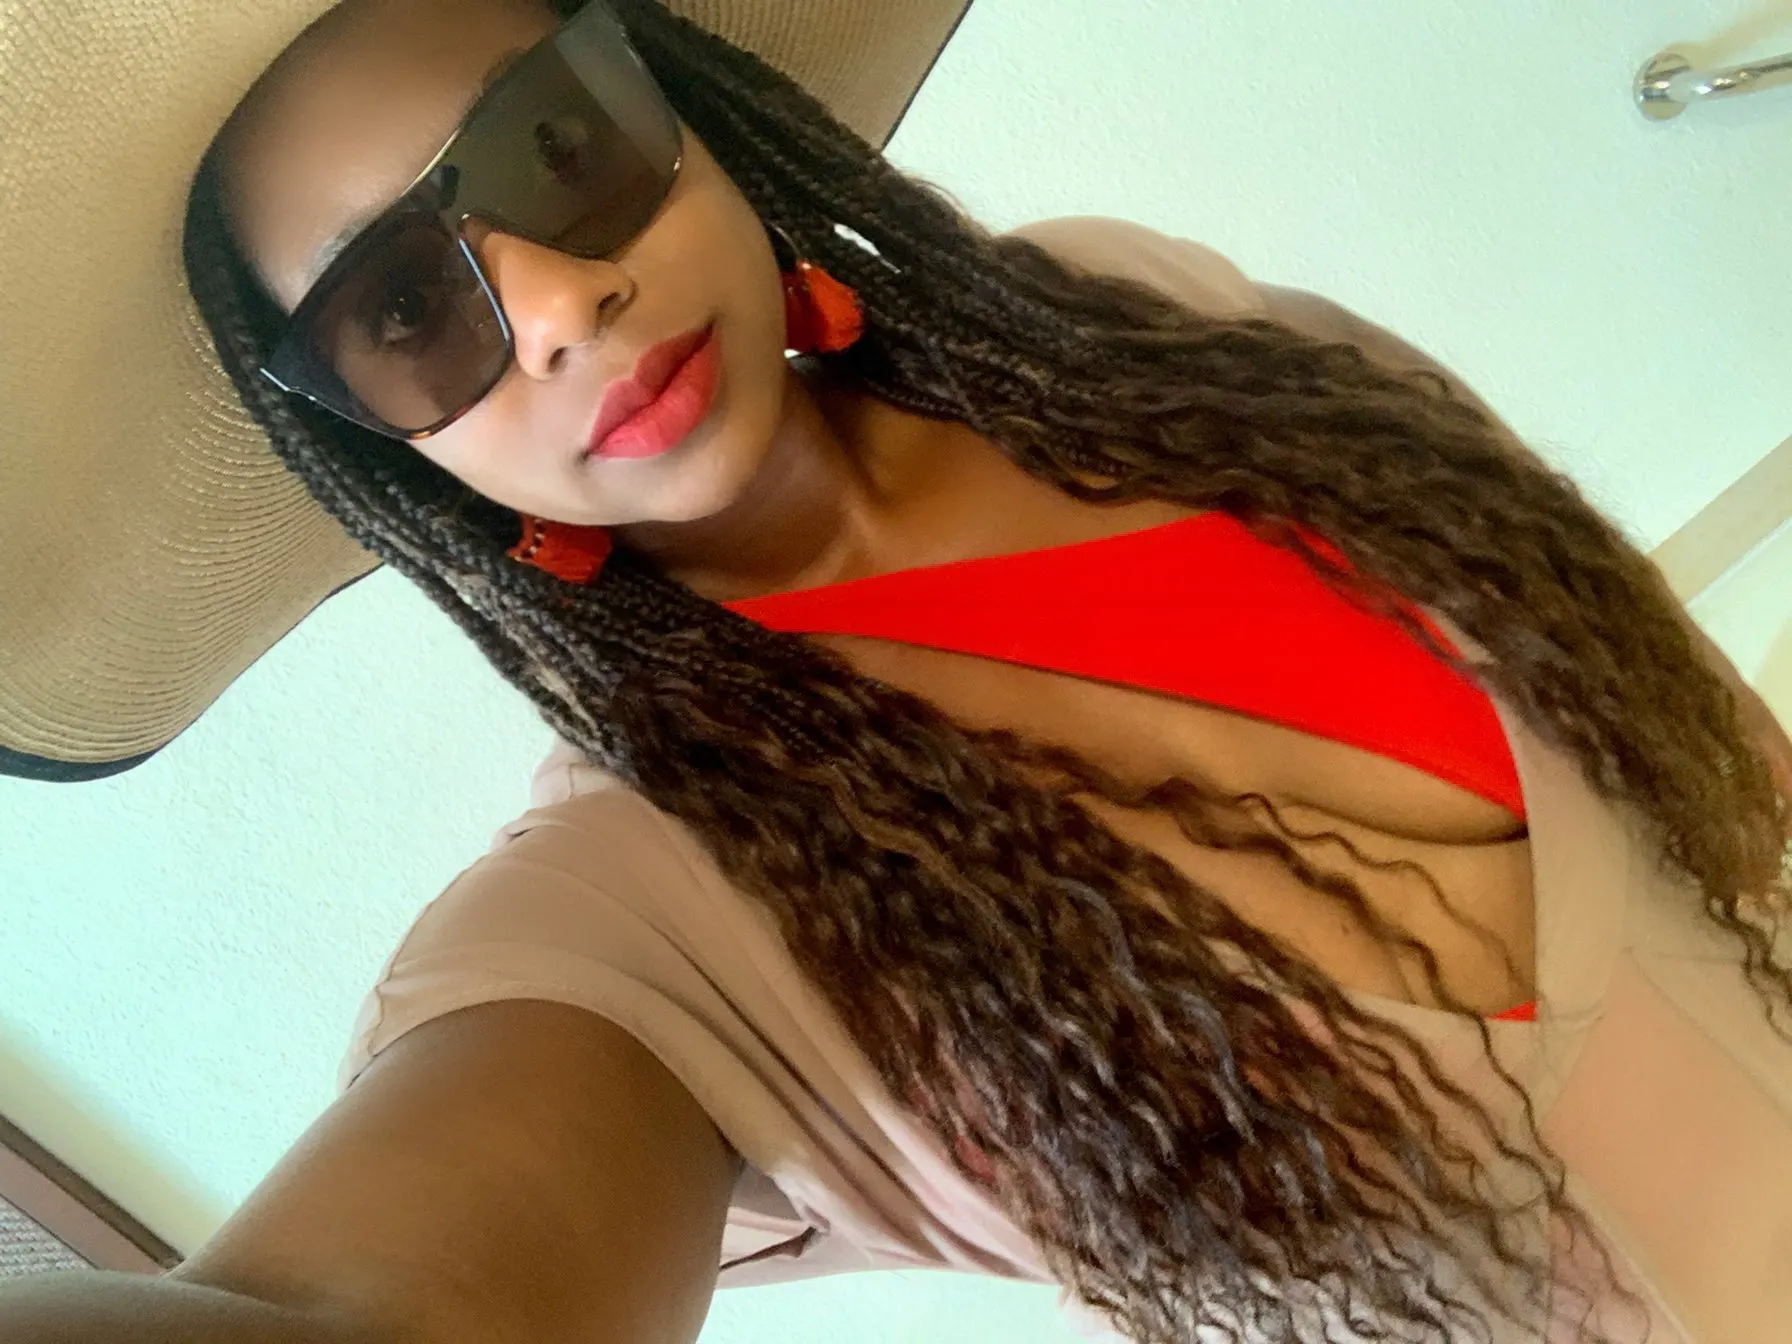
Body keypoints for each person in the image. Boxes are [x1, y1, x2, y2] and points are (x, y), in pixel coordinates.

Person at [1, 0, 1788, 1340]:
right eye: (404, 311)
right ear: (373, 442)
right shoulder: (658, 901)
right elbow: (366, 1310)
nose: (553, 304)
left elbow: (1669, 709)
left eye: (556, 143)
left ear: (671, 97)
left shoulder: (1124, 322)